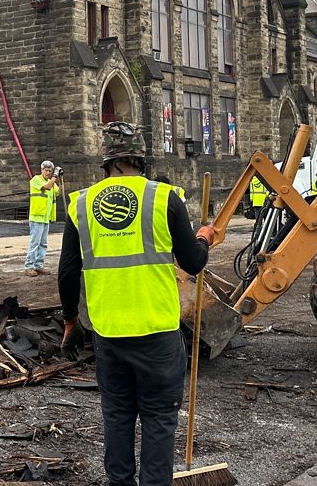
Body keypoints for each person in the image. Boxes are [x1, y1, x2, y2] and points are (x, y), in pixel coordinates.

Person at [57, 122, 211, 486]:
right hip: (157, 332)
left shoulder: (80, 203)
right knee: (158, 419)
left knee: (118, 416)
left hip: (109, 334)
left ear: (106, 161)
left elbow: (66, 273)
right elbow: (192, 263)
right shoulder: (164, 197)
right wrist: (203, 239)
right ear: (140, 157)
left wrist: (69, 321)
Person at [25, 160, 61, 276]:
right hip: (36, 217)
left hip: (45, 217)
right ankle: (29, 266)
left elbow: (58, 192)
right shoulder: (36, 180)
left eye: (50, 171)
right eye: (46, 170)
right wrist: (55, 176)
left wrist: (59, 178)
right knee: (34, 243)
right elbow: (48, 187)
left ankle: (38, 265)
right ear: (42, 170)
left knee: (43, 243)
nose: (48, 172)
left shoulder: (52, 181)